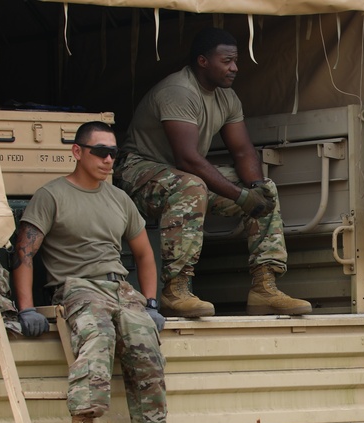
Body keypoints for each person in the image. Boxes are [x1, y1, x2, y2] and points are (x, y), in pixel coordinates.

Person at [11, 120, 188, 423]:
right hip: (78, 286)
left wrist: (150, 302)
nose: (109, 159)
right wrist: (25, 307)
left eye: (113, 153)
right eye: (100, 152)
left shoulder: (120, 199)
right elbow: (24, 253)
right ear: (78, 152)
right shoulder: (52, 195)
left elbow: (144, 253)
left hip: (120, 289)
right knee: (98, 339)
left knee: (149, 358)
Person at [116, 27, 311, 318]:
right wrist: (239, 196)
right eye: (227, 60)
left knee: (266, 190)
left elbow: (243, 152)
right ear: (203, 61)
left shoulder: (227, 98)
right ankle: (175, 290)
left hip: (182, 177)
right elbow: (188, 158)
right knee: (191, 185)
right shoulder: (178, 91)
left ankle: (264, 287)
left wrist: (255, 189)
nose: (234, 67)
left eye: (235, 60)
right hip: (136, 171)